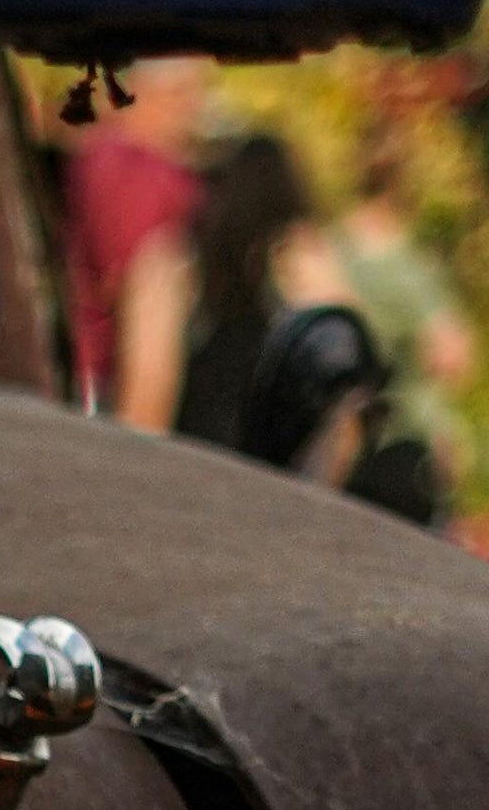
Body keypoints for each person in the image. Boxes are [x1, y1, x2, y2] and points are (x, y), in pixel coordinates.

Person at [179, 129, 446, 522]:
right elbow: (347, 375)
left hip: (209, 457)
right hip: (294, 473)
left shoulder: (193, 263)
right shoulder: (302, 255)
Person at [56, 51, 209, 424]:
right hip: (110, 386)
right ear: (143, 93)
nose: (194, 110)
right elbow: (145, 300)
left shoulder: (95, 155)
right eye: (182, 95)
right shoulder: (144, 173)